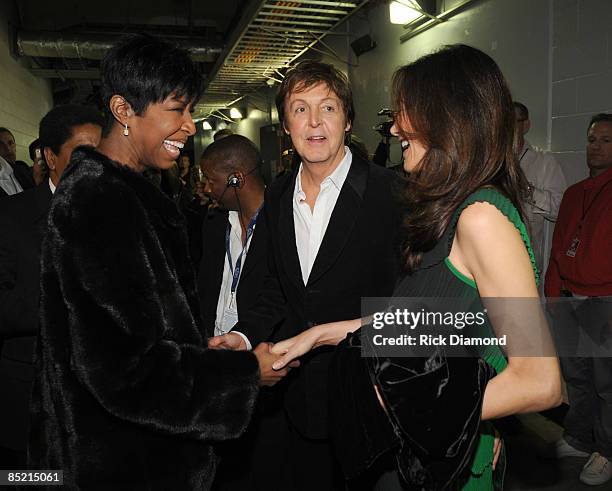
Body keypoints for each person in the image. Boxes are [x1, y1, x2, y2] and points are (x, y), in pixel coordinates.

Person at [272, 45, 561, 490]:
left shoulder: (481, 217)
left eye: (404, 115)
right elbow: (443, 319)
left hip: (455, 467)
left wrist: (405, 405)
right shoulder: (450, 211)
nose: (393, 128)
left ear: (447, 118)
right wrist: (327, 332)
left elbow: (540, 381)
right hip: (426, 456)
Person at [27, 34, 286, 490]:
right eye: (176, 109)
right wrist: (244, 377)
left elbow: (132, 334)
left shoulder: (125, 192)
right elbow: (124, 372)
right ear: (124, 110)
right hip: (120, 464)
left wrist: (196, 349)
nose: (189, 126)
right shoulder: (98, 201)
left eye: (190, 110)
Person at [209, 60, 403, 491]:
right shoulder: (278, 194)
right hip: (300, 401)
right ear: (287, 125)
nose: (314, 122)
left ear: (347, 120)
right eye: (300, 109)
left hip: (375, 396)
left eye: (328, 108)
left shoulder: (392, 194)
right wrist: (241, 338)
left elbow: (415, 299)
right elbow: (276, 287)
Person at [0, 104, 103, 467]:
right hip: (30, 393)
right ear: (49, 156)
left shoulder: (120, 214)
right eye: (80, 154)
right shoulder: (12, 217)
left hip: (99, 398)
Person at [198, 135, 276, 490]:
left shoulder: (283, 224)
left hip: (263, 363)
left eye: (211, 180)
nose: (205, 188)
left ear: (236, 179)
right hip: (216, 360)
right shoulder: (214, 225)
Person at [545, 113, 612, 485]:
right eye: (592, 139)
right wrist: (554, 297)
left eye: (605, 140)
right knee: (578, 377)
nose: (596, 147)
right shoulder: (573, 194)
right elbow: (558, 249)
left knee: (607, 383)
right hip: (570, 301)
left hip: (604, 302)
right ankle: (579, 437)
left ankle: (607, 450)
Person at [513, 101, 566, 276]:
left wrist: (528, 191)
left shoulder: (543, 163)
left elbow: (560, 210)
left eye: (513, 121)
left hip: (524, 265)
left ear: (525, 125)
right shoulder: (487, 163)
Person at [0, 127, 35, 192]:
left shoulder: (22, 168)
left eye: (10, 143)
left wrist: (37, 179)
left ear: (15, 146)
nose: (8, 148)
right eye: (1, 145)